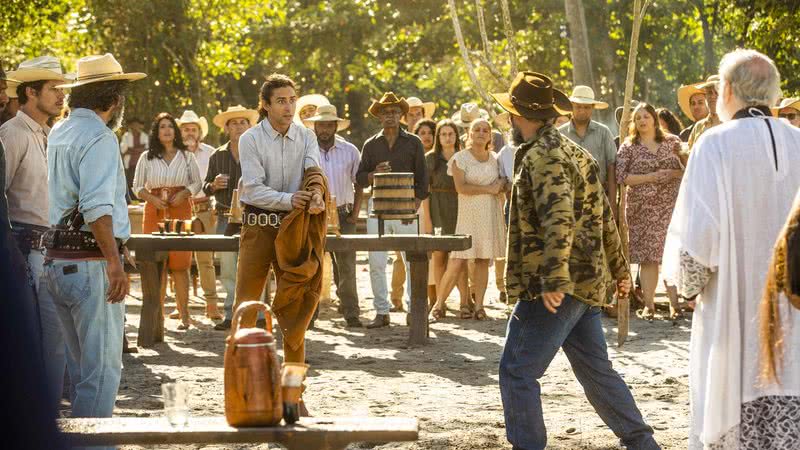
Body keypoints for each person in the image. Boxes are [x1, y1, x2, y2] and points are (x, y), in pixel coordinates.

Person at [494, 71, 659, 450]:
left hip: (555, 284)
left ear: (523, 117)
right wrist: (619, 270)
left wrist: (553, 278)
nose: (509, 121)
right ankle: (642, 443)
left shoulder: (545, 155)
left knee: (517, 372)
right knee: (596, 372)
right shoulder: (575, 151)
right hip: (586, 281)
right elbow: (604, 215)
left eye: (512, 115)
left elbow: (559, 217)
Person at [662, 49, 800, 450]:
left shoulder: (714, 145)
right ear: (773, 95)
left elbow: (696, 250)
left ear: (725, 90)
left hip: (735, 312)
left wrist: (687, 286)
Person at [44, 53, 145, 428]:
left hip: (57, 259)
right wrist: (115, 264)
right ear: (114, 99)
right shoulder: (99, 137)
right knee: (100, 372)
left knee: (80, 367)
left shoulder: (60, 131)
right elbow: (98, 209)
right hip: (90, 262)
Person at [236, 73, 324, 369]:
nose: (288, 108)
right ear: (265, 105)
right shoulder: (250, 138)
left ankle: (294, 390)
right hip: (258, 227)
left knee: (295, 307)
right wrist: (290, 199)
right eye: (280, 101)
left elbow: (314, 171)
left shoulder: (307, 136)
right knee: (246, 307)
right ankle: (242, 383)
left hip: (295, 229)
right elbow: (252, 187)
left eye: (292, 100)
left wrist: (315, 194)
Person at [0, 55, 70, 409]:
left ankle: (51, 414)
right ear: (30, 92)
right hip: (24, 250)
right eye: (53, 89)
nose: (61, 95)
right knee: (28, 341)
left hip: (52, 249)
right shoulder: (11, 135)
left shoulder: (50, 134)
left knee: (56, 341)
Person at [356, 92, 428, 328]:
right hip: (378, 208)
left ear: (401, 115)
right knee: (376, 262)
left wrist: (416, 202)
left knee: (411, 261)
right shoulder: (371, 144)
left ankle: (413, 312)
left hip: (407, 210)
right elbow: (359, 178)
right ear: (379, 116)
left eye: (395, 112)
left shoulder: (414, 142)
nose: (390, 116)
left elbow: (423, 178)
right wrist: (373, 173)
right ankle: (381, 312)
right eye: (385, 112)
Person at [429, 118, 506, 321]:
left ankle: (479, 306)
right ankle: (439, 304)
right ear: (469, 134)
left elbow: (504, 180)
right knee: (457, 260)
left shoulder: (495, 158)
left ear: (490, 135)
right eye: (477, 129)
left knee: (482, 260)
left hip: (489, 213)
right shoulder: (459, 158)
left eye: (485, 130)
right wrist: (488, 189)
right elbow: (460, 187)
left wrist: (501, 185)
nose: (481, 133)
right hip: (468, 214)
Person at [133, 112, 202, 330]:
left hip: (180, 208)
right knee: (155, 265)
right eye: (162, 126)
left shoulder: (187, 156)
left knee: (180, 263)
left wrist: (184, 194)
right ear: (157, 131)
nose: (167, 130)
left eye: (170, 126)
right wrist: (152, 198)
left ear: (175, 131)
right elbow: (136, 187)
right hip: (154, 209)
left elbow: (197, 183)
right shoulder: (147, 157)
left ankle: (185, 315)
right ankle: (157, 317)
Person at [616, 103, 683, 320]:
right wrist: (650, 177)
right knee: (648, 258)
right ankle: (649, 305)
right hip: (641, 208)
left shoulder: (672, 142)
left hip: (669, 206)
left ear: (654, 118)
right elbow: (622, 177)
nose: (642, 121)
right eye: (638, 118)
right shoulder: (628, 146)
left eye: (646, 116)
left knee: (670, 253)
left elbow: (686, 168)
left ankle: (675, 305)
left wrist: (671, 173)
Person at [306, 104, 364, 328]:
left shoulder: (350, 150)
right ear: (315, 126)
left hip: (343, 211)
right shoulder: (306, 149)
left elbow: (359, 183)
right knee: (314, 264)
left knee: (347, 265)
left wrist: (355, 215)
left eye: (330, 124)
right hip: (315, 213)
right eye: (321, 124)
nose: (325, 129)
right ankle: (311, 314)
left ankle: (351, 313)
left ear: (336, 126)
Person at [205, 105, 259, 331]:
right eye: (234, 123)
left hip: (254, 217)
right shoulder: (217, 155)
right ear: (226, 128)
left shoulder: (258, 152)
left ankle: (257, 314)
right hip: (226, 217)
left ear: (249, 126)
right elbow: (205, 187)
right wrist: (213, 184)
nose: (238, 127)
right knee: (228, 268)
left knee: (255, 267)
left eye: (243, 122)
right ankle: (230, 314)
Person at [176, 109, 221, 320]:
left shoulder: (211, 152)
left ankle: (211, 304)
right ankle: (180, 305)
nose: (189, 133)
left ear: (199, 132)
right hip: (179, 209)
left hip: (204, 208)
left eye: (193, 129)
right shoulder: (172, 154)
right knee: (178, 259)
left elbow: (215, 184)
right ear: (180, 132)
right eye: (185, 129)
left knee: (205, 260)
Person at [422, 119, 470, 312]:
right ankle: (440, 303)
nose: (447, 137)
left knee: (460, 256)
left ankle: (465, 302)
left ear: (456, 136)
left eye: (451, 134)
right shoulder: (430, 159)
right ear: (438, 137)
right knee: (439, 255)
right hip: (438, 206)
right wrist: (427, 219)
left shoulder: (464, 157)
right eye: (443, 134)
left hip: (460, 206)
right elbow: (424, 191)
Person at [559, 85, 617, 204]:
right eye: (578, 106)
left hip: (599, 198)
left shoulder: (604, 132)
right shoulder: (560, 134)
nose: (582, 110)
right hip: (568, 198)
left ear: (593, 108)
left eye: (586, 107)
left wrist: (613, 204)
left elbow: (612, 168)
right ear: (571, 107)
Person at [687, 75, 721, 150]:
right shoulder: (699, 126)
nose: (713, 96)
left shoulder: (732, 122)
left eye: (717, 92)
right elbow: (691, 157)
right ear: (705, 97)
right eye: (709, 92)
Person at [119, 117, 148, 194]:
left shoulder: (144, 136)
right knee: (130, 183)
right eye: (133, 125)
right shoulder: (126, 136)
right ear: (130, 125)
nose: (135, 126)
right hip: (130, 164)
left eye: (137, 125)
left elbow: (146, 150)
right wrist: (139, 148)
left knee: (142, 184)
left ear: (140, 125)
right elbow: (123, 151)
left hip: (142, 164)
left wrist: (131, 149)